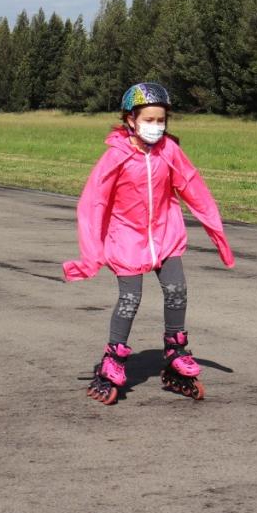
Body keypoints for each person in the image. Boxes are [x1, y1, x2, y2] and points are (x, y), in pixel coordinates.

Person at [63, 82, 235, 404]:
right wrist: (91, 254)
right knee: (131, 298)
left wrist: (218, 236)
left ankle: (175, 351)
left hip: (165, 233)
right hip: (127, 237)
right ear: (131, 119)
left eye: (161, 120)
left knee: (177, 289)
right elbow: (93, 203)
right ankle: (113, 358)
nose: (156, 127)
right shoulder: (117, 155)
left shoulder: (169, 150)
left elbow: (194, 189)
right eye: (149, 120)